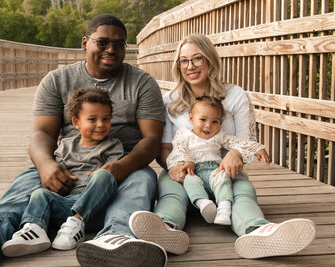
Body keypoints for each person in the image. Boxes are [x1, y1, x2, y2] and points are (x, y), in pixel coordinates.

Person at [0, 14, 167, 267]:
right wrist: (46, 165)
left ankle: (115, 236)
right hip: (69, 162)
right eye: (102, 42)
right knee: (30, 178)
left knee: (143, 178)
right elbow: (42, 133)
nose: (111, 49)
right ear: (85, 43)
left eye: (119, 44)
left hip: (121, 165)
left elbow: (151, 139)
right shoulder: (57, 80)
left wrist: (122, 167)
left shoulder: (142, 82)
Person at [129, 33, 316, 259]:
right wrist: (175, 166)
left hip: (223, 170)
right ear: (177, 65)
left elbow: (246, 140)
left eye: (197, 58)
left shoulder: (235, 95)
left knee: (243, 191)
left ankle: (257, 230)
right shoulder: (170, 100)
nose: (191, 66)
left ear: (210, 59)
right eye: (184, 60)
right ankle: (165, 229)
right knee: (171, 192)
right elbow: (166, 147)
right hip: (185, 170)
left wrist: (235, 154)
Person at [1, 88, 124, 257]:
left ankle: (77, 223)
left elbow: (113, 173)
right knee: (40, 194)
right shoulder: (66, 145)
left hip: (96, 206)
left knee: (103, 175)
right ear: (76, 122)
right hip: (68, 204)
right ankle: (34, 230)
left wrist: (97, 176)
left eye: (106, 119)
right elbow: (58, 171)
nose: (100, 124)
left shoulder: (113, 145)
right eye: (92, 119)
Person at [166, 95, 270, 227]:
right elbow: (179, 148)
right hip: (194, 170)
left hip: (215, 169)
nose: (208, 126)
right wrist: (187, 160)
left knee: (223, 178)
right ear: (191, 118)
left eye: (214, 122)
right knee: (189, 181)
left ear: (220, 123)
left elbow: (236, 142)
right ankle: (203, 204)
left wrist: (255, 147)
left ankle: (224, 209)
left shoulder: (219, 135)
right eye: (203, 119)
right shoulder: (184, 134)